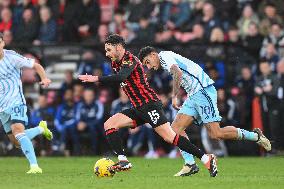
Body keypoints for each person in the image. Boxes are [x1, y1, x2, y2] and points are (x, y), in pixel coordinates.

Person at [78, 34, 218, 177]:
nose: (107, 54)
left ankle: (206, 158)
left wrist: (95, 78)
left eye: (109, 50)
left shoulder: (131, 59)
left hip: (149, 105)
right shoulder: (115, 63)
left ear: (119, 47)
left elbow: (121, 77)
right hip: (138, 108)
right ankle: (123, 160)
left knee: (170, 137)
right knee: (110, 124)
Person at [138, 46, 271, 176]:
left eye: (147, 62)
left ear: (153, 54)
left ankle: (255, 136)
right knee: (175, 129)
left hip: (202, 91)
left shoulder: (164, 56)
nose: (149, 67)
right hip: (193, 95)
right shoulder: (164, 60)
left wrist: (174, 96)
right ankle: (190, 164)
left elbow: (177, 72)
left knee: (216, 133)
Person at [0, 33, 52, 174]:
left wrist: (44, 78)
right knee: (17, 142)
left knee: (18, 131)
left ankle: (34, 167)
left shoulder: (12, 57)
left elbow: (36, 66)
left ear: (3, 43)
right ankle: (41, 129)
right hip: (2, 107)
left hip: (16, 101)